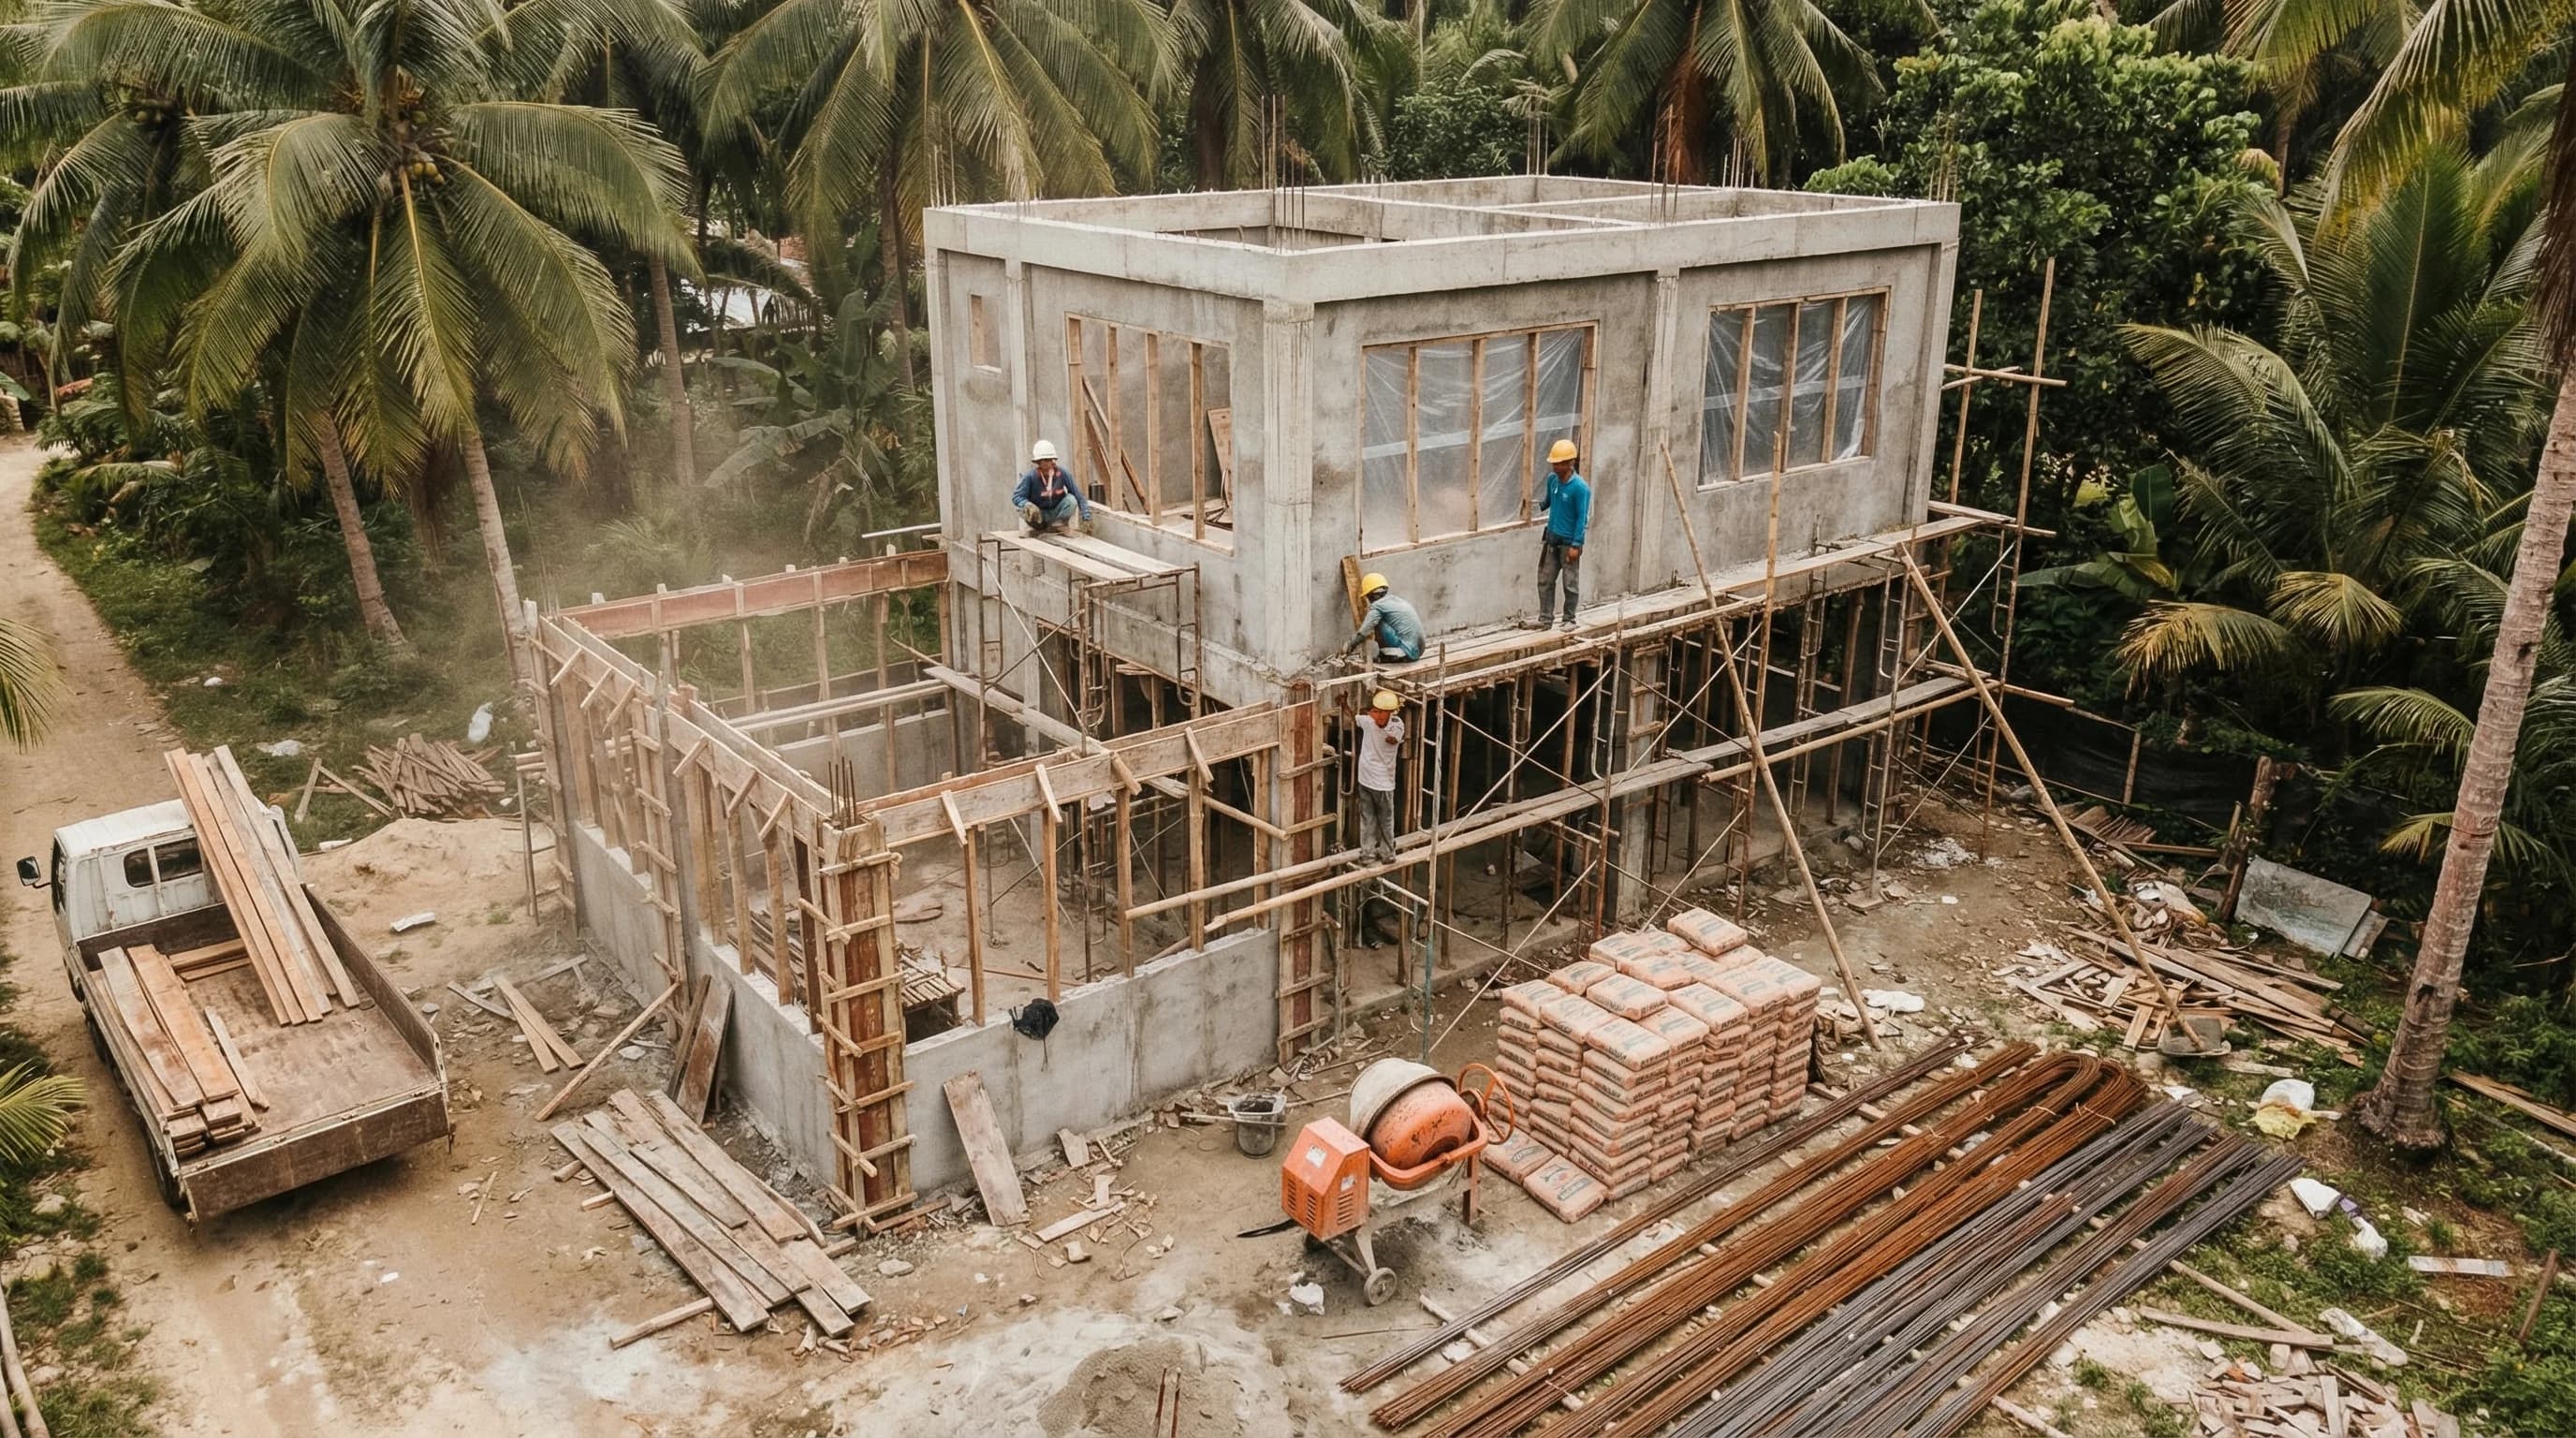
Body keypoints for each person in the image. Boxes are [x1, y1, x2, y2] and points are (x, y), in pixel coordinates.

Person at [1524, 438, 1590, 631]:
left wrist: (1576, 545)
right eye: (1554, 463)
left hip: (1569, 542)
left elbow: (1581, 518)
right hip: (1552, 540)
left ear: (1570, 463)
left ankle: (1569, 619)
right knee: (1545, 580)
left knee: (1570, 583)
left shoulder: (1580, 488)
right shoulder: (1553, 480)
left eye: (1559, 463)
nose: (1555, 466)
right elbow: (1549, 501)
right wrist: (1535, 505)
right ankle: (1545, 619)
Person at [1354, 690, 1404, 862]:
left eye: (1382, 713)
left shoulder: (1396, 725)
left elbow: (1392, 739)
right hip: (1369, 780)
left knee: (1382, 819)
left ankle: (1384, 853)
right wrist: (1345, 704)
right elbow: (1353, 718)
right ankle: (1372, 853)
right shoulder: (1369, 721)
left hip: (1381, 782)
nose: (1380, 716)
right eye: (1378, 712)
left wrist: (1378, 724)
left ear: (1389, 713)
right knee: (1372, 818)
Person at [1342, 572, 1425, 664]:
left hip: (1408, 652)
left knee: (1376, 623)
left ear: (1370, 595)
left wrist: (1348, 646)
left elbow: (1364, 632)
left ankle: (1388, 656)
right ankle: (1390, 654)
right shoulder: (1395, 600)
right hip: (1418, 651)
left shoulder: (1378, 606)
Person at [1012, 439, 1090, 534]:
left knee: (1071, 499)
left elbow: (1078, 495)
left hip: (1056, 513)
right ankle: (1037, 528)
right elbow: (1017, 497)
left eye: (1049, 459)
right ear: (1038, 462)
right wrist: (1027, 504)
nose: (1047, 463)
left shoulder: (1063, 473)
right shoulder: (1030, 476)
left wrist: (1086, 517)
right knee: (1025, 508)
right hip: (1039, 514)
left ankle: (1058, 526)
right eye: (1043, 460)